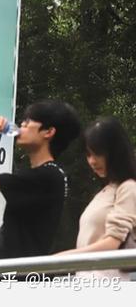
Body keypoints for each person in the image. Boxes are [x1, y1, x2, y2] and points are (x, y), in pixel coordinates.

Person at [0, 100, 81, 259]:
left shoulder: (46, 176)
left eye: (28, 122)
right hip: (18, 274)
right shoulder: (50, 174)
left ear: (48, 132)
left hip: (18, 278)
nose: (21, 125)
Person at [56, 117, 136, 279]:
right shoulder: (105, 192)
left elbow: (112, 243)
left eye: (97, 153)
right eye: (88, 154)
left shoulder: (128, 188)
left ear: (115, 152)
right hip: (88, 282)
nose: (92, 161)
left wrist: (61, 258)